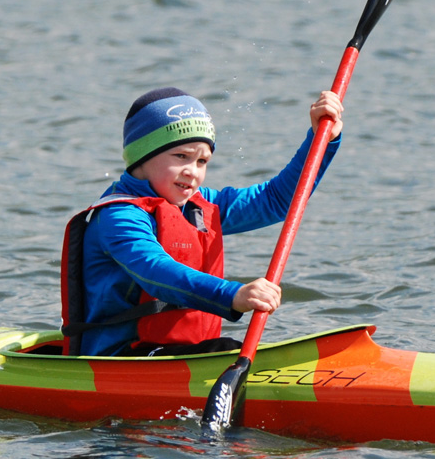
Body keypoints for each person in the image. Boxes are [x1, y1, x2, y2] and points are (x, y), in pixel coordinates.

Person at [60, 86, 343, 356]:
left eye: (202, 161)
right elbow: (156, 272)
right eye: (181, 156)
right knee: (227, 350)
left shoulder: (201, 204)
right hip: (121, 356)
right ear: (141, 158)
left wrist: (321, 141)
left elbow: (276, 201)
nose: (192, 172)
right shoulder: (118, 216)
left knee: (226, 349)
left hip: (181, 351)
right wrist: (233, 294)